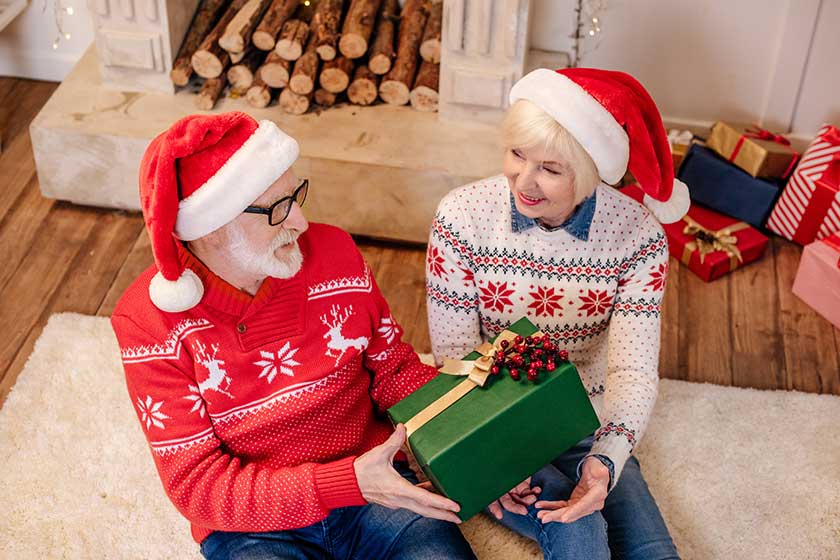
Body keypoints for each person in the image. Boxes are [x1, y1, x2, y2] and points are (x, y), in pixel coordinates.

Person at [111, 111, 476, 560]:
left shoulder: (335, 254)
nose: (300, 223)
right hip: (253, 528)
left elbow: (395, 369)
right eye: (277, 209)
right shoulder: (147, 323)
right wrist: (341, 483)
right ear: (212, 226)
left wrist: (477, 448)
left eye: (295, 196)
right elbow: (197, 486)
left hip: (378, 491)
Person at [425, 68, 687, 559]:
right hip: (490, 411)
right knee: (580, 538)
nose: (523, 181)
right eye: (517, 154)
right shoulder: (460, 217)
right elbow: (457, 357)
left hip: (583, 414)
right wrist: (500, 454)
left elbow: (631, 369)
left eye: (550, 168)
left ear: (589, 172)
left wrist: (605, 460)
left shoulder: (638, 237)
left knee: (653, 551)